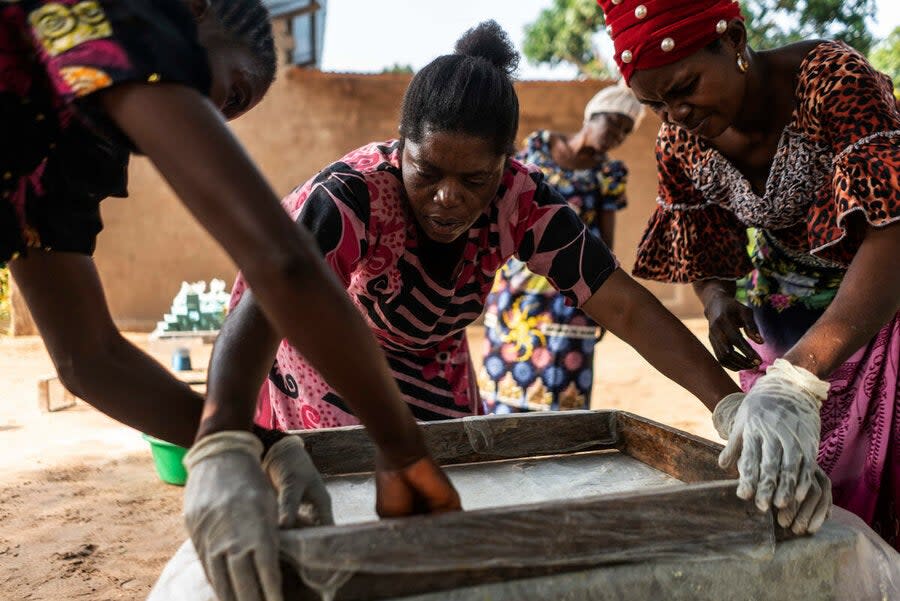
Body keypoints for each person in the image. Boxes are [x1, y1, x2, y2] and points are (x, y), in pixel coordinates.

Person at [1, 2, 459, 600]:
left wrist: (254, 446)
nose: (212, 119)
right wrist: (402, 450)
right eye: (233, 92)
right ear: (194, 13)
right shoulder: (104, 13)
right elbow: (284, 263)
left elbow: (86, 358)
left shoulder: (67, 148)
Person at [214, 21, 752, 512]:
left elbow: (624, 305)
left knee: (453, 488)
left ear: (506, 164)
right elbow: (270, 303)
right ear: (402, 148)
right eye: (427, 173)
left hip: (434, 357)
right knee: (349, 494)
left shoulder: (522, 199)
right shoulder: (351, 196)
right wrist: (227, 444)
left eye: (475, 180)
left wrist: (730, 405)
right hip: (321, 353)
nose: (447, 198)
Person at [596, 0, 899, 546]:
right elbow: (706, 247)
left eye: (685, 87)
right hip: (781, 316)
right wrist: (716, 301)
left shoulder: (831, 82)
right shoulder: (680, 144)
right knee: (786, 480)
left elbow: (893, 232)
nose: (677, 113)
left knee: (883, 476)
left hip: (876, 300)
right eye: (656, 104)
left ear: (734, 39)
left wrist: (800, 380)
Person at [479, 84, 644, 413]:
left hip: (571, 290)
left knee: (563, 385)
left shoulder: (608, 174)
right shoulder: (539, 145)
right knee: (505, 380)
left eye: (624, 132)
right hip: (519, 285)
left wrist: (601, 299)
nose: (616, 136)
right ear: (592, 116)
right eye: (613, 123)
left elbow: (603, 242)